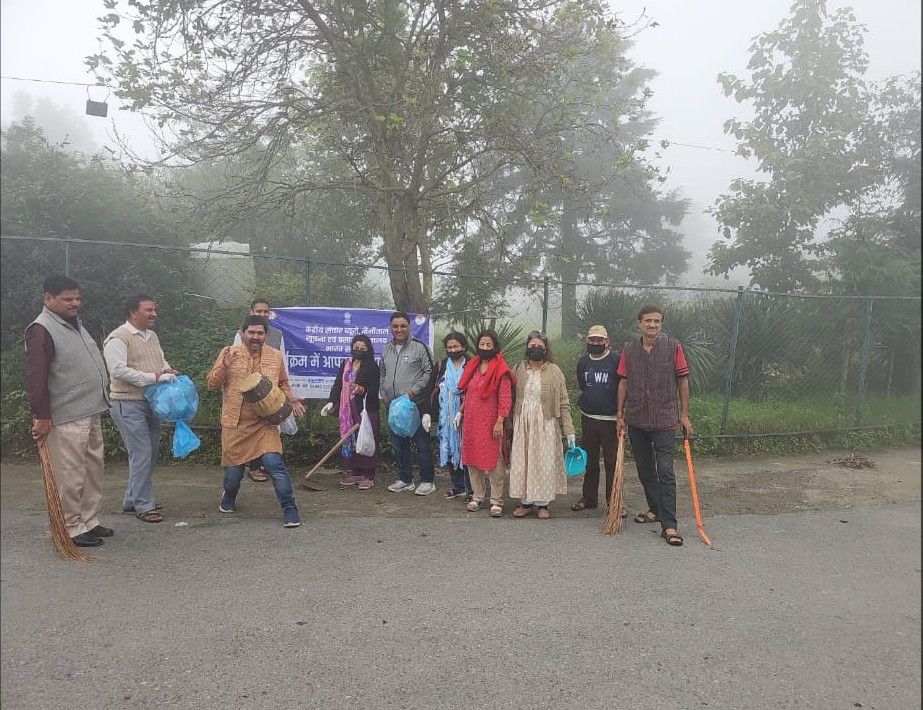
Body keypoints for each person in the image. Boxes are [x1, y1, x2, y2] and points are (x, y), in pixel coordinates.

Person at [25, 275, 112, 547]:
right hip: (65, 415)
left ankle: (89, 519)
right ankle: (70, 526)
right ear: (48, 299)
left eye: (77, 298)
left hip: (91, 408)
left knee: (93, 469)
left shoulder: (75, 324)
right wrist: (42, 415)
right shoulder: (41, 329)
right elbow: (36, 376)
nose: (75, 303)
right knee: (70, 474)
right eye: (67, 299)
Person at [206, 315, 306, 527]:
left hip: (265, 423)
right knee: (233, 475)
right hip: (235, 424)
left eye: (260, 333)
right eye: (251, 332)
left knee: (273, 463)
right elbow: (211, 384)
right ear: (242, 333)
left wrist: (292, 399)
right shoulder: (229, 353)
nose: (255, 336)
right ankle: (229, 494)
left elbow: (283, 383)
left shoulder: (275, 356)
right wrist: (224, 367)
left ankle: (290, 508)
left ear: (266, 335)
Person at [616, 305, 692, 547]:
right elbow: (623, 383)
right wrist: (620, 415)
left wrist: (684, 415)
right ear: (639, 323)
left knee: (666, 472)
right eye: (648, 321)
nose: (652, 325)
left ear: (661, 324)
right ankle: (655, 509)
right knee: (645, 469)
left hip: (664, 420)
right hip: (637, 419)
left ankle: (669, 525)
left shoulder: (673, 347)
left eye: (657, 321)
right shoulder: (629, 349)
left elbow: (682, 381)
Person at [103, 294, 178, 523]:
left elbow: (160, 361)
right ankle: (144, 505)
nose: (154, 314)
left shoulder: (152, 336)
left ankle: (132, 499)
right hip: (127, 402)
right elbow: (117, 370)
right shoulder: (118, 338)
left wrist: (167, 371)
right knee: (142, 452)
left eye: (154, 309)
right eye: (148, 310)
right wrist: (153, 377)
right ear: (133, 312)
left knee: (149, 452)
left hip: (152, 402)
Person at [509, 331, 575, 520]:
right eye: (532, 346)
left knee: (543, 463)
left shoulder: (554, 371)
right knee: (524, 462)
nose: (535, 349)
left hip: (545, 424)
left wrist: (569, 429)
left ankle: (543, 504)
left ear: (545, 349)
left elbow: (563, 401)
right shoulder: (518, 369)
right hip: (523, 423)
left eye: (539, 346)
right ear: (527, 347)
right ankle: (525, 503)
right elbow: (508, 395)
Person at [457, 330, 513, 518]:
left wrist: (500, 421)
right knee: (473, 459)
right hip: (471, 421)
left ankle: (496, 500)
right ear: (477, 346)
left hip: (492, 423)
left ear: (495, 346)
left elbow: (505, 397)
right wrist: (460, 412)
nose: (485, 347)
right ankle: (478, 496)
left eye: (489, 345)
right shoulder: (472, 366)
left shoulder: (501, 369)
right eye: (482, 344)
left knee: (495, 462)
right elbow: (468, 393)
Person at [379, 311, 436, 495]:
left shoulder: (420, 347)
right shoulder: (386, 348)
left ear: (409, 327)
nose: (399, 329)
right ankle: (405, 479)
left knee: (422, 444)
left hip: (414, 405)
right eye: (395, 326)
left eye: (403, 326)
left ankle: (427, 481)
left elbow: (430, 372)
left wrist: (414, 391)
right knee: (399, 444)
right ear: (390, 328)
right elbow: (382, 373)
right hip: (394, 407)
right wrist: (383, 393)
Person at [233, 298, 285, 483]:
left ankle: (266, 465)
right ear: (251, 312)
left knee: (270, 428)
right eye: (258, 311)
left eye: (265, 312)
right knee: (251, 430)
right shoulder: (242, 334)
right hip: (249, 391)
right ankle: (252, 467)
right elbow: (235, 360)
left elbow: (282, 362)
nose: (262, 314)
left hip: (270, 392)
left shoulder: (277, 334)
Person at [320, 334, 381, 490]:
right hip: (348, 409)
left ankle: (368, 475)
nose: (359, 350)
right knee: (351, 439)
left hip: (366, 410)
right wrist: (331, 401)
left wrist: (362, 389)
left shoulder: (372, 366)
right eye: (356, 347)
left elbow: (375, 388)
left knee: (366, 439)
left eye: (363, 348)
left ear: (368, 350)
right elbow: (338, 384)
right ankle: (356, 472)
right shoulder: (346, 363)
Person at [571, 325, 621, 513]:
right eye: (592, 340)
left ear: (607, 341)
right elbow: (583, 385)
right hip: (589, 418)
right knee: (590, 461)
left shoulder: (615, 360)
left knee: (611, 462)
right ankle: (589, 498)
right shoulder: (583, 362)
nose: (596, 343)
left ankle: (613, 501)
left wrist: (620, 414)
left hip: (610, 419)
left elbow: (623, 385)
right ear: (587, 341)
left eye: (600, 340)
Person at [433, 332, 471, 499]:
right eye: (449, 347)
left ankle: (471, 489)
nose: (453, 350)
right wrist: (428, 413)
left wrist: (461, 411)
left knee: (466, 449)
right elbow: (434, 387)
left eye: (456, 346)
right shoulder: (442, 365)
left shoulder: (471, 364)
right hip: (446, 417)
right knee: (449, 447)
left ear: (463, 346)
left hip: (467, 413)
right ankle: (457, 486)